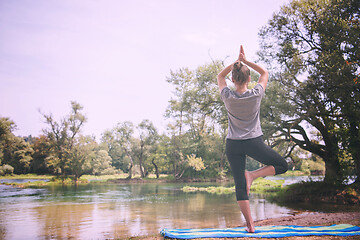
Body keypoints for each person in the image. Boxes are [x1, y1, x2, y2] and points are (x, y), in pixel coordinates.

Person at [217, 45, 288, 233]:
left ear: (233, 80)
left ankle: (250, 225)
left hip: (233, 144)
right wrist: (244, 61)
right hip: (253, 142)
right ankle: (254, 175)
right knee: (283, 165)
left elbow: (219, 77)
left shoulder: (228, 96)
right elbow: (264, 72)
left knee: (240, 185)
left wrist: (235, 63)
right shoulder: (256, 94)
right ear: (249, 79)